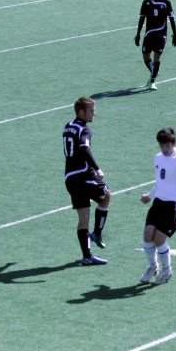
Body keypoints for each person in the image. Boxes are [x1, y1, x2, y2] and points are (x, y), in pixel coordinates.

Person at [138, 127, 176, 284]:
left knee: (158, 239)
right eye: (162, 146)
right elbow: (160, 183)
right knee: (147, 235)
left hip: (174, 206)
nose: (164, 149)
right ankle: (152, 266)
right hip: (158, 203)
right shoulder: (158, 158)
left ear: (174, 143)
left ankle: (167, 270)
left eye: (167, 146)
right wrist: (149, 196)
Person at [63, 97, 110, 265]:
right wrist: (97, 168)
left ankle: (87, 257)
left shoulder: (68, 126)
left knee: (83, 217)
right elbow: (84, 148)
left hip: (69, 178)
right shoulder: (84, 129)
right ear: (81, 112)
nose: (94, 113)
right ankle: (97, 233)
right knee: (106, 196)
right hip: (83, 175)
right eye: (91, 110)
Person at [134, 0, 176, 91]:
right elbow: (141, 19)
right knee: (146, 56)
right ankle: (154, 72)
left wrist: (175, 35)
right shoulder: (146, 3)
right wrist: (138, 34)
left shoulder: (166, 2)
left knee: (157, 57)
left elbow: (172, 19)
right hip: (149, 34)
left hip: (161, 35)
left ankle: (152, 81)